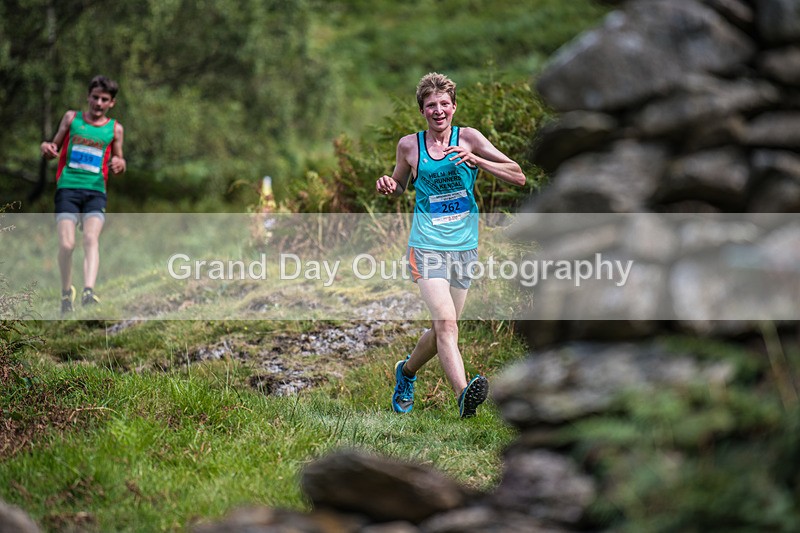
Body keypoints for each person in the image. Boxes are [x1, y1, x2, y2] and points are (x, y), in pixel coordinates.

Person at [376, 72, 526, 418]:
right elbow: (399, 185)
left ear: (454, 107)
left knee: (443, 328)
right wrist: (388, 185)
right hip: (426, 245)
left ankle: (406, 372)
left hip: (464, 247)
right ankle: (463, 396)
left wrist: (477, 161)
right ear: (422, 111)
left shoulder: (469, 138)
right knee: (446, 324)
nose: (438, 110)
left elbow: (517, 175)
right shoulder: (409, 146)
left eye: (444, 104)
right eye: (431, 105)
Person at [40, 75, 126, 314]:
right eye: (95, 97)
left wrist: (120, 165)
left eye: (104, 99)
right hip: (68, 189)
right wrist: (47, 148)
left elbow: (119, 159)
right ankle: (66, 293)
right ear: (88, 97)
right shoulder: (72, 119)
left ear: (112, 103)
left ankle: (89, 291)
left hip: (95, 192)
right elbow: (53, 147)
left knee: (90, 238)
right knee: (67, 245)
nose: (99, 103)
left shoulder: (115, 129)